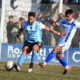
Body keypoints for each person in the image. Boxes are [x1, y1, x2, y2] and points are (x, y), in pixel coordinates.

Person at [39, 9, 80, 75]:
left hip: (66, 42)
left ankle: (44, 63)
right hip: (61, 41)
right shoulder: (63, 20)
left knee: (55, 49)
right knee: (59, 56)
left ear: (71, 15)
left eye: (68, 16)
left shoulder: (75, 23)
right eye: (66, 16)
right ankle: (67, 67)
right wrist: (52, 21)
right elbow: (54, 25)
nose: (66, 18)